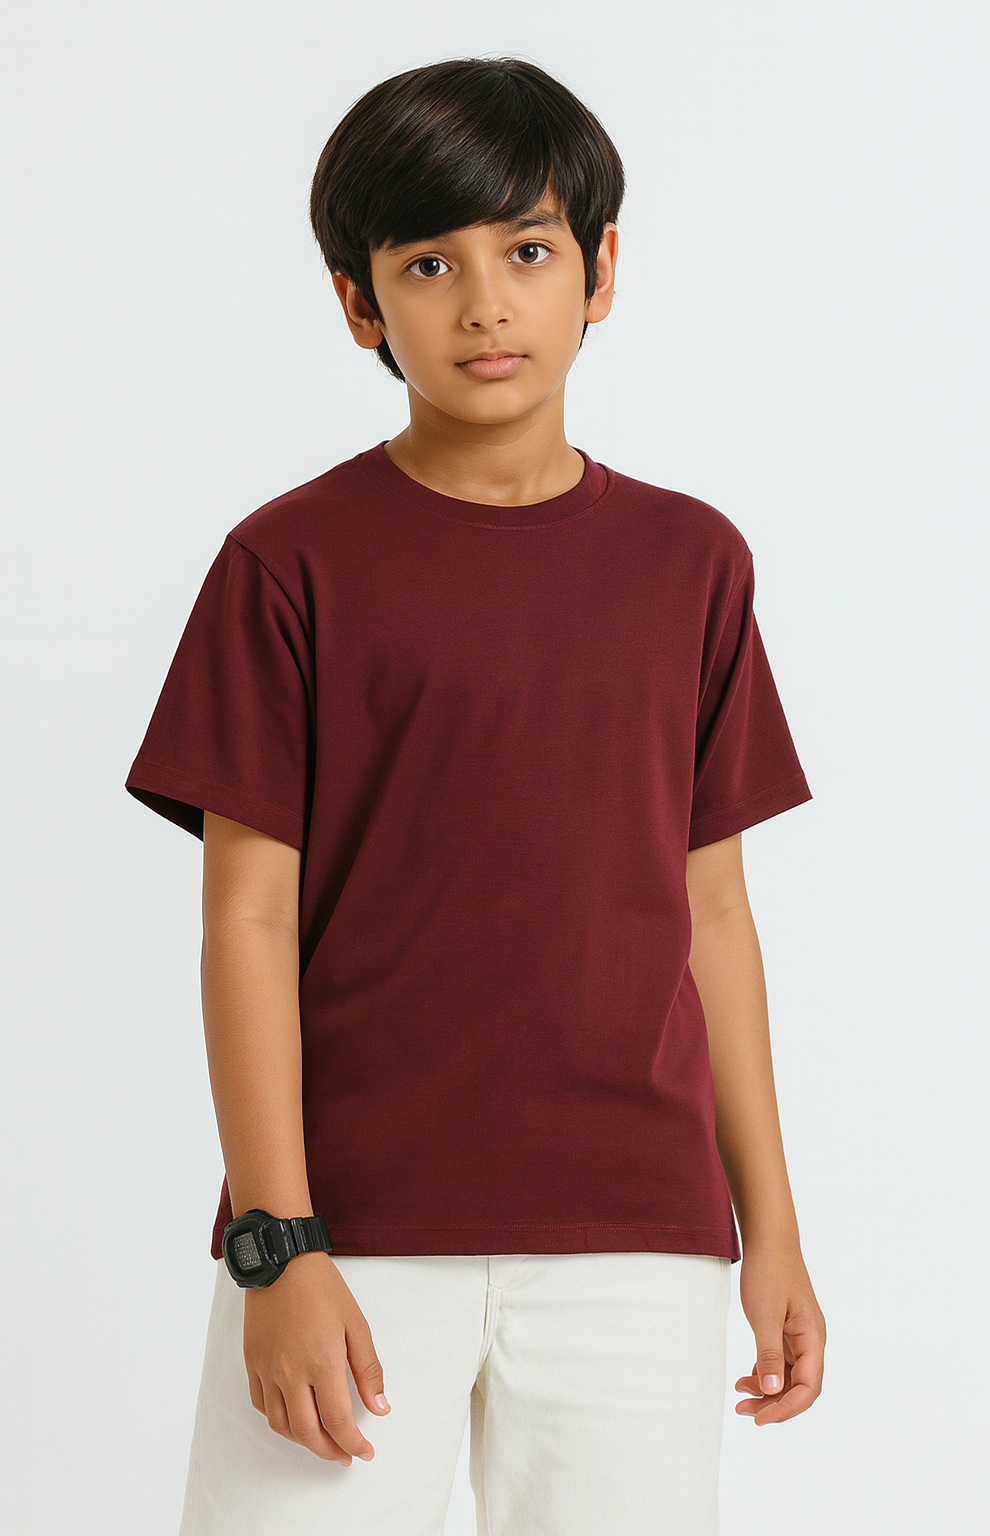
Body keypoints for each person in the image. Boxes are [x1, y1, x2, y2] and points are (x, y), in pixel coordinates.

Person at [125, 55, 826, 1536]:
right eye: (429, 264)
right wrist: (278, 1243)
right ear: (358, 304)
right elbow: (245, 923)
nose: (487, 306)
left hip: (636, 1238)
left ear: (601, 270)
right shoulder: (287, 565)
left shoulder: (692, 562)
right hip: (352, 1231)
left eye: (528, 250)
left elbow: (713, 916)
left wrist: (772, 1228)